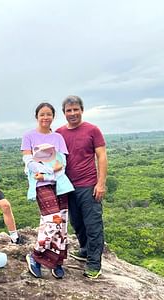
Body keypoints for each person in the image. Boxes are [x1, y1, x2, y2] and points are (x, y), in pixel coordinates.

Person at [56, 95, 108, 279]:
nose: (72, 113)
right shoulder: (59, 132)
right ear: (64, 113)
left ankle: (94, 264)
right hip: (68, 186)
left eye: (75, 109)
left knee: (93, 225)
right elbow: (54, 158)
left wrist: (101, 183)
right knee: (77, 222)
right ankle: (85, 250)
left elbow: (101, 156)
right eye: (69, 110)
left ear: (82, 110)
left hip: (88, 185)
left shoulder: (92, 130)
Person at [21, 102, 70, 279]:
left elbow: (61, 164)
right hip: (40, 185)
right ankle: (35, 255)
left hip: (60, 184)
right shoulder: (29, 136)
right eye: (42, 114)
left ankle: (56, 261)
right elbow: (29, 162)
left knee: (62, 223)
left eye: (49, 114)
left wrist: (47, 173)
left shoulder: (58, 138)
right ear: (37, 116)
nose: (45, 117)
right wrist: (48, 172)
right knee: (52, 220)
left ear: (53, 117)